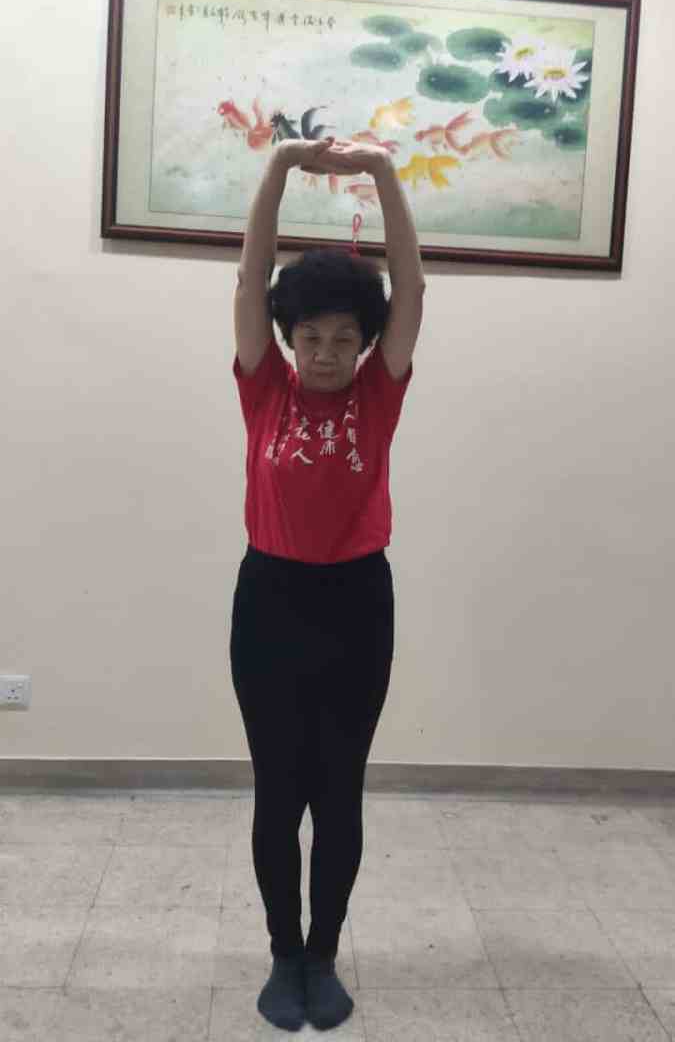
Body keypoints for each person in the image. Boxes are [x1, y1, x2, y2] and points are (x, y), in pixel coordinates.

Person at [230, 135, 425, 1031]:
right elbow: (250, 280)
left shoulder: (377, 394)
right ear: (288, 337)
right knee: (280, 792)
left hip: (356, 607)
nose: (325, 352)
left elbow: (410, 290)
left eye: (344, 338)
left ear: (365, 343)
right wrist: (279, 167)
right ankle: (282, 951)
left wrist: (381, 173)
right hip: (269, 604)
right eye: (310, 337)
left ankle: (323, 953)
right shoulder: (263, 388)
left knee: (337, 791)